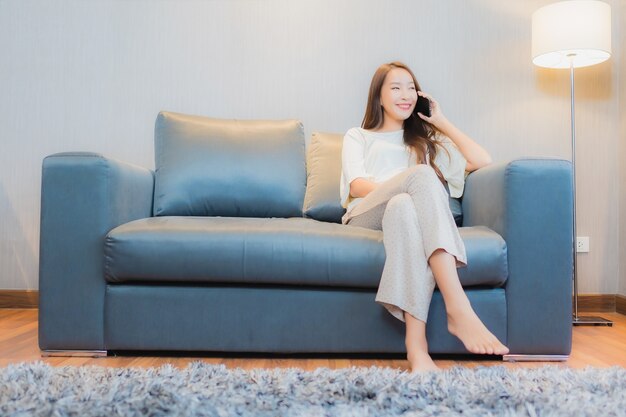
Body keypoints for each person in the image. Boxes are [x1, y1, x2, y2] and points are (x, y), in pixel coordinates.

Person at [340, 61, 509, 373]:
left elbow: (482, 160)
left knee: (404, 206)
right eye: (395, 87)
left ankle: (417, 351)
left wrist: (441, 121)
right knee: (417, 179)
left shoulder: (425, 143)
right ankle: (458, 306)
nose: (405, 94)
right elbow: (358, 185)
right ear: (378, 97)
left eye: (410, 87)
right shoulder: (359, 135)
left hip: (402, 214)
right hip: (365, 212)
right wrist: (409, 183)